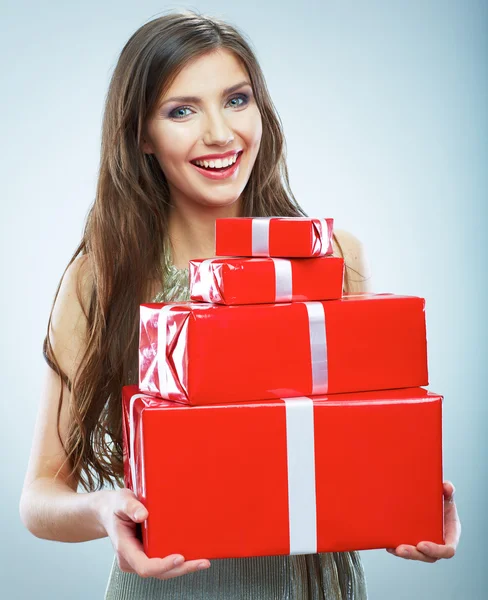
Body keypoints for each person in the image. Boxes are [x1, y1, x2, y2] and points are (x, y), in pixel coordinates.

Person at [19, 9, 461, 600]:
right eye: (181, 110)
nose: (221, 134)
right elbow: (39, 498)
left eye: (236, 100)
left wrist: (410, 504)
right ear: (142, 136)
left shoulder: (334, 259)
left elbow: (353, 451)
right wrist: (105, 510)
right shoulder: (102, 277)